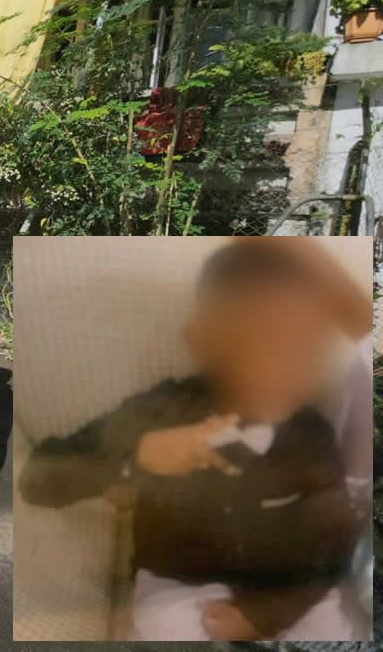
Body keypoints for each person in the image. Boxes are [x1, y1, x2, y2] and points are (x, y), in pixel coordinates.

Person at [19, 238, 371, 641]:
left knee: (335, 625)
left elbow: (331, 541)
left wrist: (268, 615)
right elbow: (38, 481)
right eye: (260, 342)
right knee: (162, 626)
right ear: (202, 341)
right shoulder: (159, 412)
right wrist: (137, 457)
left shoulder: (312, 436)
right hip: (178, 584)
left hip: (282, 591)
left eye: (305, 349)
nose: (285, 367)